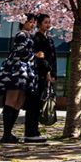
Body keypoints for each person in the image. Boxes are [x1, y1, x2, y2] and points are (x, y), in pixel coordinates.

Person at [0, 13, 39, 143]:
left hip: (25, 71)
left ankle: (9, 133)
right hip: (16, 71)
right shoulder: (21, 35)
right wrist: (35, 55)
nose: (32, 24)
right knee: (12, 100)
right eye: (30, 22)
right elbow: (21, 51)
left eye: (33, 22)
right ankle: (6, 133)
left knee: (18, 102)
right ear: (24, 22)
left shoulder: (28, 35)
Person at [24, 14, 56, 143]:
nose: (48, 25)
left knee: (38, 104)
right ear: (39, 24)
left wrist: (52, 73)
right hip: (38, 74)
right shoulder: (36, 38)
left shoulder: (49, 39)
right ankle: (30, 132)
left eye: (49, 22)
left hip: (46, 74)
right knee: (34, 103)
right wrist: (47, 72)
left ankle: (34, 131)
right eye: (45, 23)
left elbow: (52, 58)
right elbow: (40, 57)